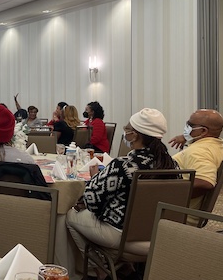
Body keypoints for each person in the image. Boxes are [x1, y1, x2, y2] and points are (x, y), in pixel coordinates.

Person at [66, 108, 178, 257]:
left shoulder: (123, 165)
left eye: (127, 129)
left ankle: (96, 267)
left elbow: (91, 201)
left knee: (70, 215)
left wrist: (95, 178)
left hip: (123, 234)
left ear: (134, 135)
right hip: (159, 233)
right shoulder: (173, 165)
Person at [168, 109, 223, 220]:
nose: (186, 127)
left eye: (190, 125)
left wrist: (173, 196)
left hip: (176, 212)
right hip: (182, 209)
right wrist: (187, 137)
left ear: (203, 131)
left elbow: (205, 182)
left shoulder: (199, 151)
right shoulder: (218, 146)